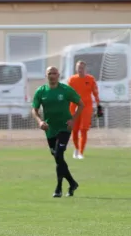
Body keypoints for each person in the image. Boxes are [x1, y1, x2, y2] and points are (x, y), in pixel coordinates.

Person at [31, 66, 85, 198]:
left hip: (64, 128)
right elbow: (34, 109)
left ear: (58, 75)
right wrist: (40, 122)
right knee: (57, 158)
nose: (52, 75)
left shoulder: (65, 90)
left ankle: (58, 188)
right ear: (46, 75)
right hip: (50, 129)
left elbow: (81, 104)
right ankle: (72, 183)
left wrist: (73, 119)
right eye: (50, 73)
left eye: (54, 73)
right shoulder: (41, 91)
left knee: (59, 154)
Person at [67, 60, 102, 159]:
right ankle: (76, 149)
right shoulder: (72, 80)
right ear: (76, 68)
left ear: (85, 69)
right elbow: (68, 94)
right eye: (78, 68)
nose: (80, 70)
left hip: (87, 106)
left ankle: (81, 153)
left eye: (82, 68)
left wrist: (98, 106)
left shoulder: (90, 79)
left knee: (84, 129)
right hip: (74, 106)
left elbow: (95, 93)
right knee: (74, 130)